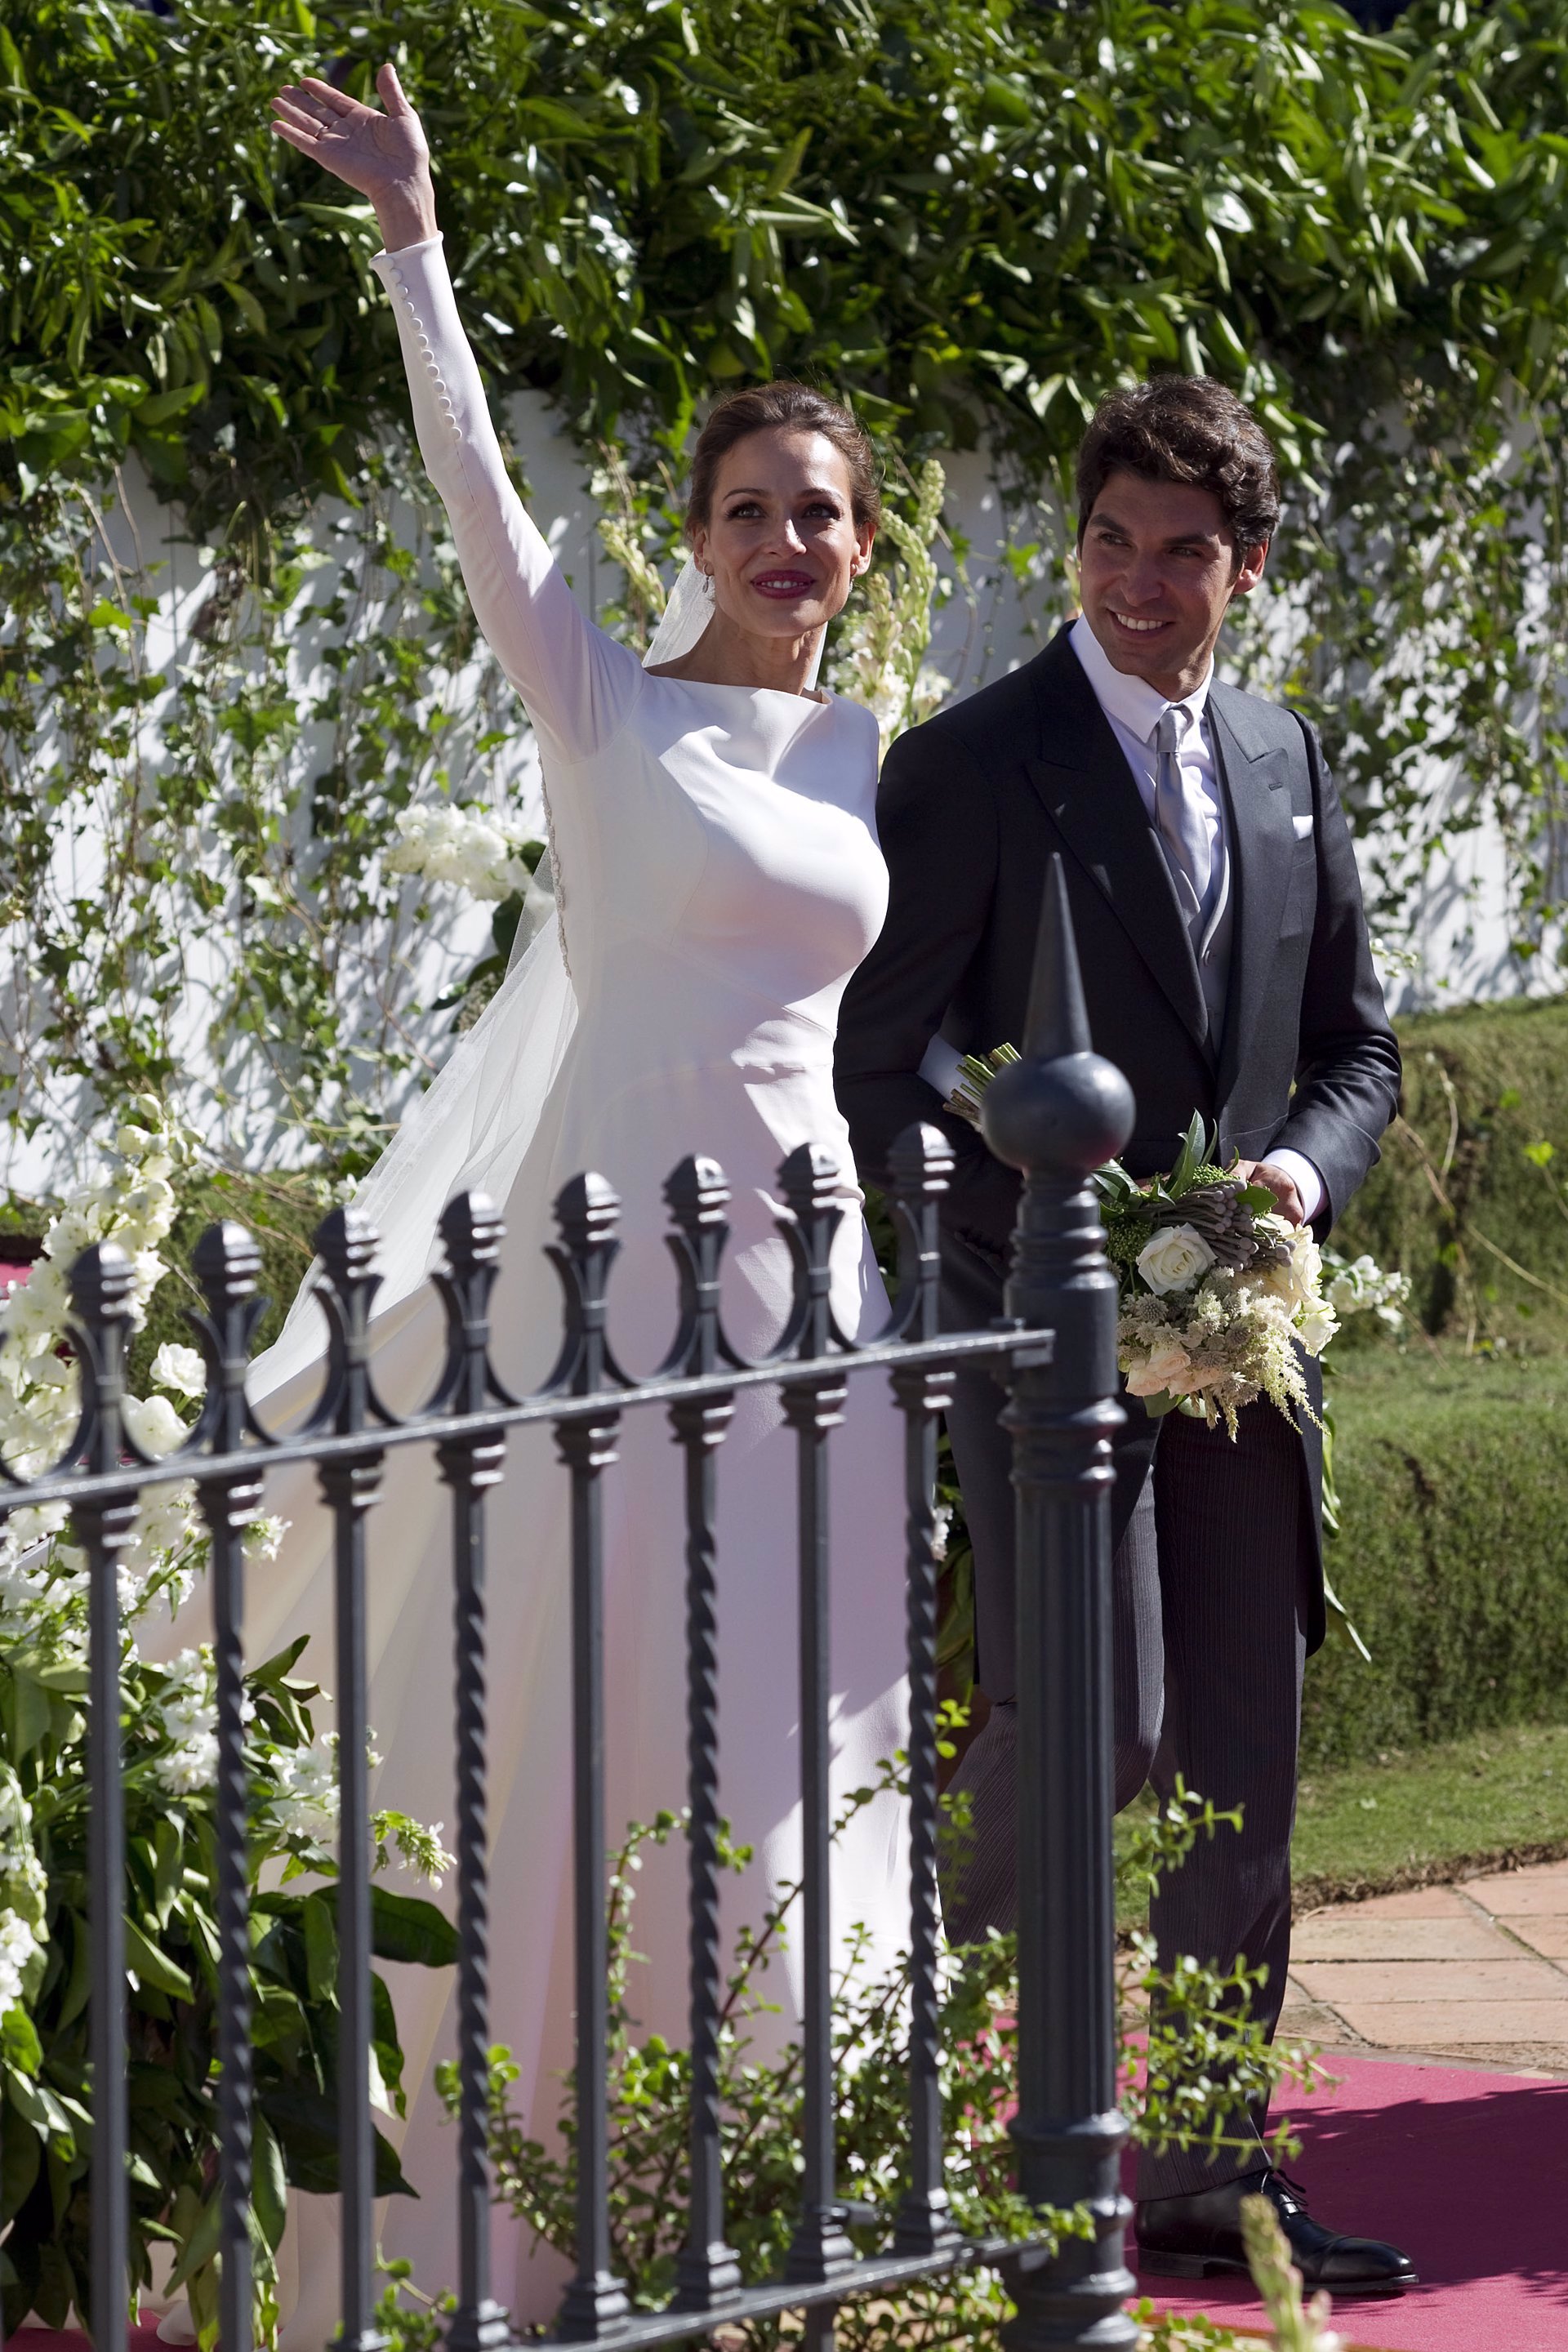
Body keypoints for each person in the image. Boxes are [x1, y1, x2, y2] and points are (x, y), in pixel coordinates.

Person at [250, 61, 911, 2334]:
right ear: (693, 536)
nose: (789, 541)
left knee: (794, 1741)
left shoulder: (866, 756)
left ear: (862, 547)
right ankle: (524, 2224)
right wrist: (413, 239)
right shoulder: (604, 713)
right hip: (612, 1293)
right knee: (585, 1721)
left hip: (815, 1299)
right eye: (753, 509)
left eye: (822, 514)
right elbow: (471, 484)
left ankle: (778, 2188)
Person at [835, 376, 1417, 2296]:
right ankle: (880, 2080)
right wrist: (1035, 1246)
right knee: (1099, 1730)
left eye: (1183, 551)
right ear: (1073, 543)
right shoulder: (972, 762)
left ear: (1245, 567)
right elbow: (883, 1065)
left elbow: (1356, 1048)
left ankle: (1204, 2177)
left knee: (1242, 1749)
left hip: (1248, 1338)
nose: (1140, 583)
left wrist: (1293, 1188)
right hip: (1045, 1331)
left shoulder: (1284, 754)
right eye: (1111, 542)